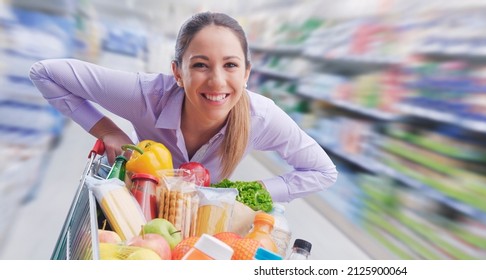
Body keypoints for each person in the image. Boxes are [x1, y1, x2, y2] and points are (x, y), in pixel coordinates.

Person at [29, 11, 338, 202]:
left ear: (246, 73)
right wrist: (108, 131)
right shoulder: (147, 96)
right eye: (201, 65)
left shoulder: (261, 118)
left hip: (196, 221)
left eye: (230, 65)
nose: (217, 82)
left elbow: (323, 171)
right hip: (138, 201)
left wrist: (241, 193)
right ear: (178, 72)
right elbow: (44, 72)